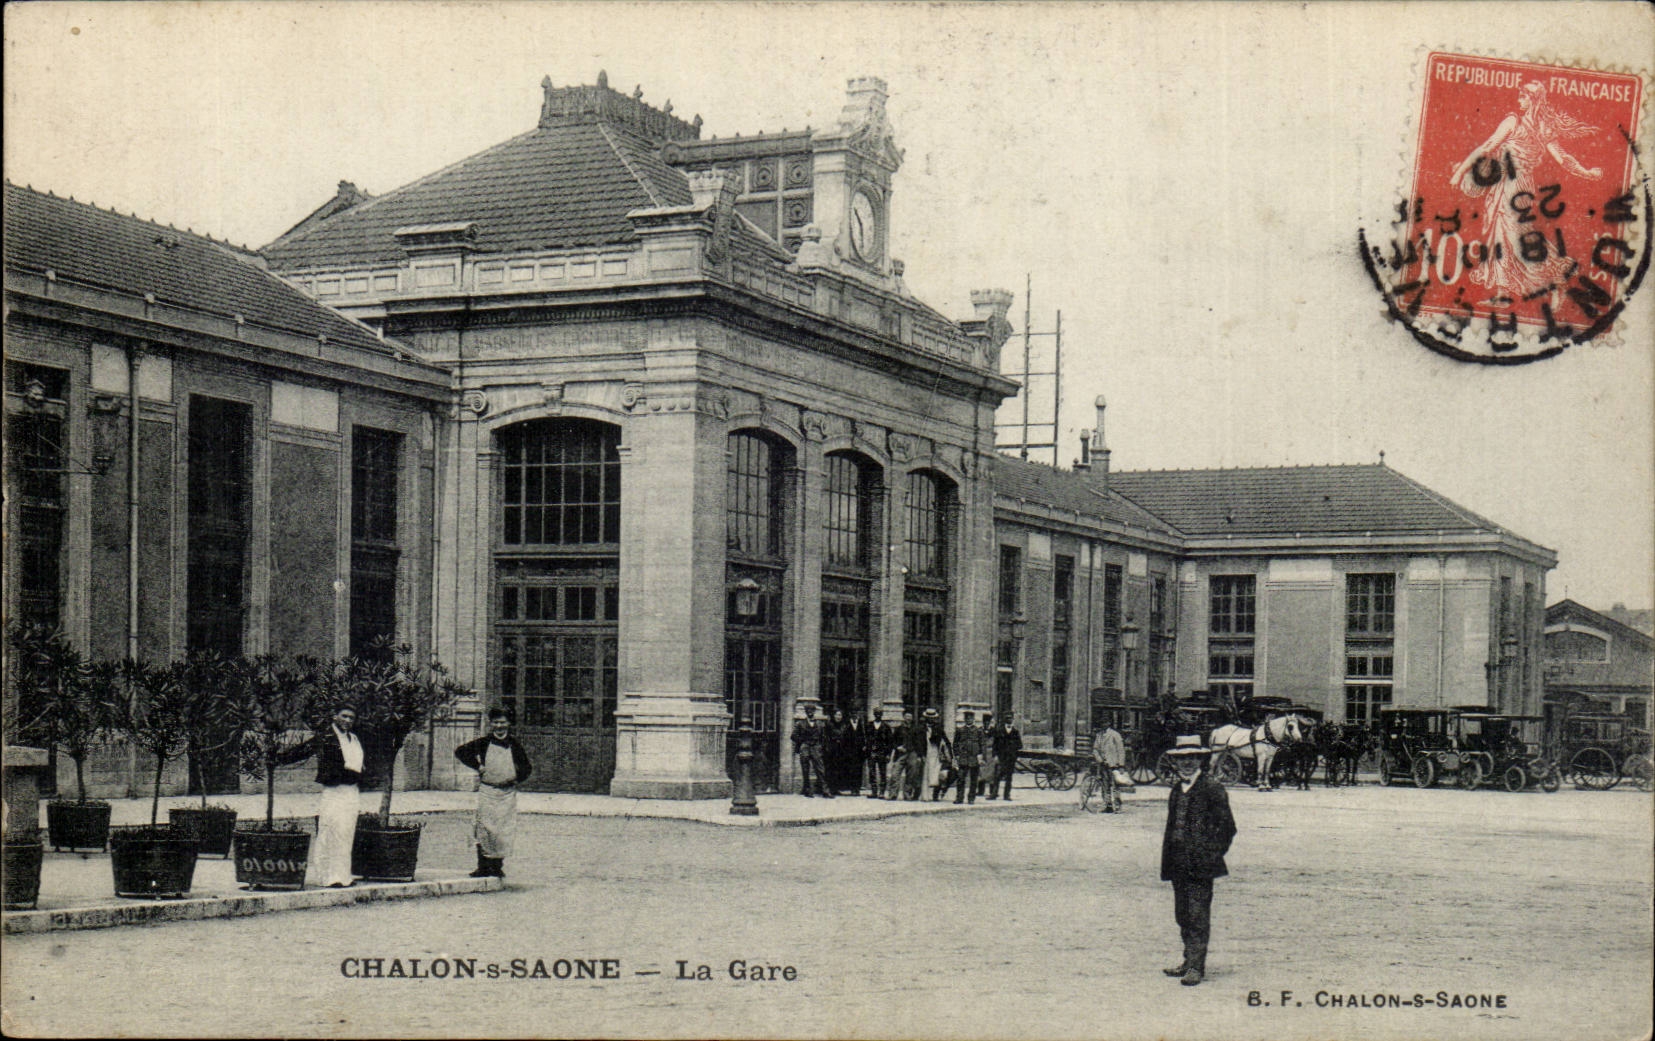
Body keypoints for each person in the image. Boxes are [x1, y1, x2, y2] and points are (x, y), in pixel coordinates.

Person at [1450, 80, 1603, 307]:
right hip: (1508, 183)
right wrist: (1586, 172)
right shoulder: (1537, 126)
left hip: (1515, 185)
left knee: (1516, 236)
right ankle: (1503, 293)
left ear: (1532, 100)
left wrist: (1587, 173)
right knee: (1499, 234)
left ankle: (1555, 280)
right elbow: (1488, 147)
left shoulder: (1521, 123)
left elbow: (1487, 147)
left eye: (1522, 96)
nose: (1519, 100)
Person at [1160, 735, 1237, 987]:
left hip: (1201, 865)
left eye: (1192, 759)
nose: (1187, 764)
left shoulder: (1212, 788)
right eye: (1182, 759)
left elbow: (1227, 828)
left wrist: (1211, 855)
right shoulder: (1176, 789)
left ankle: (1196, 966)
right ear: (1174, 762)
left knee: (1197, 915)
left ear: (1200, 760)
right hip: (1178, 862)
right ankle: (1187, 959)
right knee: (1182, 914)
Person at [283, 704, 365, 888]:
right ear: (335, 716)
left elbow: (359, 764)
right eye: (344, 716)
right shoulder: (326, 737)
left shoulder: (354, 739)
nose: (347, 720)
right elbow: (303, 750)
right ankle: (328, 876)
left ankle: (344, 875)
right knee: (331, 830)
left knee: (346, 832)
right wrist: (277, 758)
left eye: (351, 717)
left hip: (351, 792)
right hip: (334, 791)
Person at [453, 707, 533, 878]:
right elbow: (460, 752)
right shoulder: (483, 742)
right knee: (484, 828)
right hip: (488, 791)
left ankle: (497, 867)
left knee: (502, 831)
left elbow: (527, 767)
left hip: (506, 793)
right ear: (491, 724)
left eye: (502, 722)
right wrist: (478, 766)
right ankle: (483, 867)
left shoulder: (514, 744)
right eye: (496, 722)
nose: (499, 726)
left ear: (508, 724)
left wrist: (515, 778)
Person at [790, 703, 832, 798]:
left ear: (814, 712)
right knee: (805, 769)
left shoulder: (820, 724)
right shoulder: (800, 724)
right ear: (805, 712)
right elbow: (793, 736)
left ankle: (825, 790)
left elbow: (824, 737)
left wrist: (821, 746)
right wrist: (803, 741)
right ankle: (807, 789)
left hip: (816, 747)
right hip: (805, 747)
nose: (810, 713)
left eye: (812, 711)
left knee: (820, 769)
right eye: (808, 711)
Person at [1094, 721, 1127, 812]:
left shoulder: (1115, 735)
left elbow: (1121, 750)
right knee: (1105, 786)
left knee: (1115, 786)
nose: (1103, 725)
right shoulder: (1099, 735)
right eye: (1102, 723)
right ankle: (1108, 806)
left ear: (1108, 724)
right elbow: (1095, 749)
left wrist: (1121, 765)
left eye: (1105, 723)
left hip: (1114, 764)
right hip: (1103, 764)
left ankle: (1117, 806)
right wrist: (1099, 759)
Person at [952, 709, 983, 804]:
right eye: (967, 718)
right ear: (964, 720)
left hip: (974, 758)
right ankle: (959, 798)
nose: (968, 720)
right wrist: (957, 754)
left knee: (973, 780)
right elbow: (955, 743)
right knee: (961, 778)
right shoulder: (960, 730)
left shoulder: (978, 731)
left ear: (973, 719)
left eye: (970, 718)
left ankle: (971, 798)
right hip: (963, 758)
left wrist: (980, 756)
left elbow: (982, 744)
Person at [989, 716, 1023, 800]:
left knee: (1009, 777)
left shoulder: (1015, 732)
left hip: (1011, 758)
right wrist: (995, 755)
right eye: (1007, 718)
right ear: (1005, 720)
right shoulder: (999, 731)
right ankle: (994, 794)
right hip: (1001, 757)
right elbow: (995, 745)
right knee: (997, 776)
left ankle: (1006, 795)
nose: (1009, 720)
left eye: (1011, 718)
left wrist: (1014, 751)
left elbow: (1020, 745)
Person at [922, 708, 951, 801]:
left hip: (935, 752)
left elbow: (946, 741)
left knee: (936, 772)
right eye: (928, 717)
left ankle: (935, 794)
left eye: (932, 718)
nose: (930, 719)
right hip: (925, 752)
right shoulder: (921, 728)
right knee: (925, 774)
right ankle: (924, 795)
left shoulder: (938, 728)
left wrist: (949, 755)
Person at [865, 708, 894, 799]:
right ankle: (874, 791)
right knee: (872, 772)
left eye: (879, 714)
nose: (878, 715)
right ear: (874, 714)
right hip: (871, 752)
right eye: (876, 713)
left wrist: (888, 754)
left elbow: (890, 742)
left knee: (882, 772)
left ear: (882, 715)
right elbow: (866, 739)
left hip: (882, 752)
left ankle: (882, 792)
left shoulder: (886, 727)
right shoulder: (869, 725)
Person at [976, 712, 996, 798]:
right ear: (983, 722)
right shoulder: (979, 730)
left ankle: (992, 791)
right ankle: (981, 790)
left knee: (992, 772)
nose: (986, 723)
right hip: (982, 752)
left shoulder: (994, 731)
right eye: (985, 722)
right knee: (981, 771)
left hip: (991, 753)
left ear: (990, 722)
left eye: (988, 722)